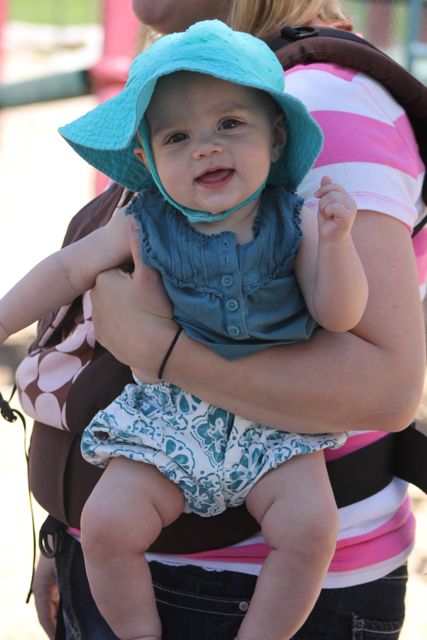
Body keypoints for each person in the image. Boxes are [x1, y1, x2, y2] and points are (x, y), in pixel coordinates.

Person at [17, 1, 425, 639]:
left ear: (276, 137)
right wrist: (65, 533)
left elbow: (355, 336)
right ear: (148, 158)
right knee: (108, 525)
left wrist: (336, 242)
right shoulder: (153, 210)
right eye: (176, 139)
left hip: (247, 511)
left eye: (230, 125)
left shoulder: (299, 188)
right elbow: (65, 272)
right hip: (168, 434)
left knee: (307, 528)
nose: (205, 146)